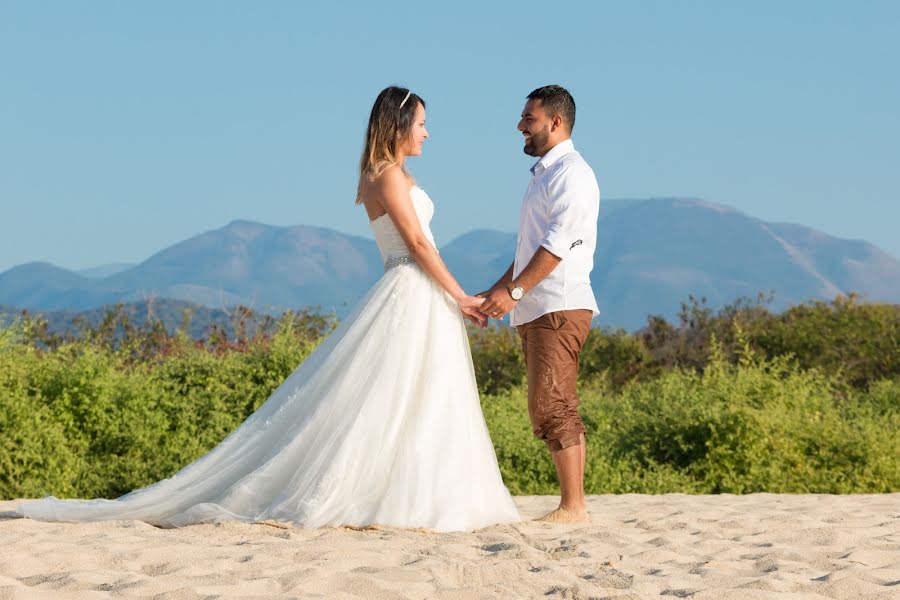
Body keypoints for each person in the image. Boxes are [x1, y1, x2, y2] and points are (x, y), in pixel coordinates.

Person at [13, 86, 520, 532]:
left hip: (412, 290)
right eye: (423, 124)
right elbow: (418, 243)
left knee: (416, 396)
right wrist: (463, 296)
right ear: (399, 124)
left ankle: (420, 488)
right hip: (411, 286)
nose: (428, 134)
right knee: (401, 396)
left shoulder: (380, 173)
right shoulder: (386, 175)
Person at [478, 85, 600, 524]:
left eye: (528, 119)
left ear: (555, 122)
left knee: (553, 404)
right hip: (538, 306)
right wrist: (497, 293)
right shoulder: (545, 174)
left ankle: (573, 507)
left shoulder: (572, 173)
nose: (520, 126)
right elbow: (529, 251)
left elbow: (558, 243)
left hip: (559, 305)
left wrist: (512, 294)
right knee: (547, 405)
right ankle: (573, 504)